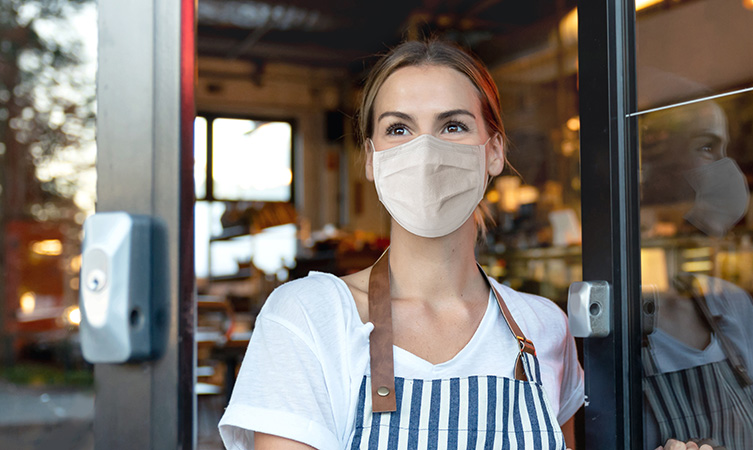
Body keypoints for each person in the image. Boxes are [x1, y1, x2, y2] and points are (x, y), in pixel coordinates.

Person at [218, 40, 584, 450]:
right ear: (372, 160)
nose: (425, 153)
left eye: (453, 126)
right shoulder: (308, 318)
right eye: (399, 129)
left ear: (494, 152)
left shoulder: (544, 326)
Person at [640, 99, 753, 450]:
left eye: (724, 149)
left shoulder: (730, 304)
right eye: (706, 147)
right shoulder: (602, 323)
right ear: (653, 168)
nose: (727, 167)